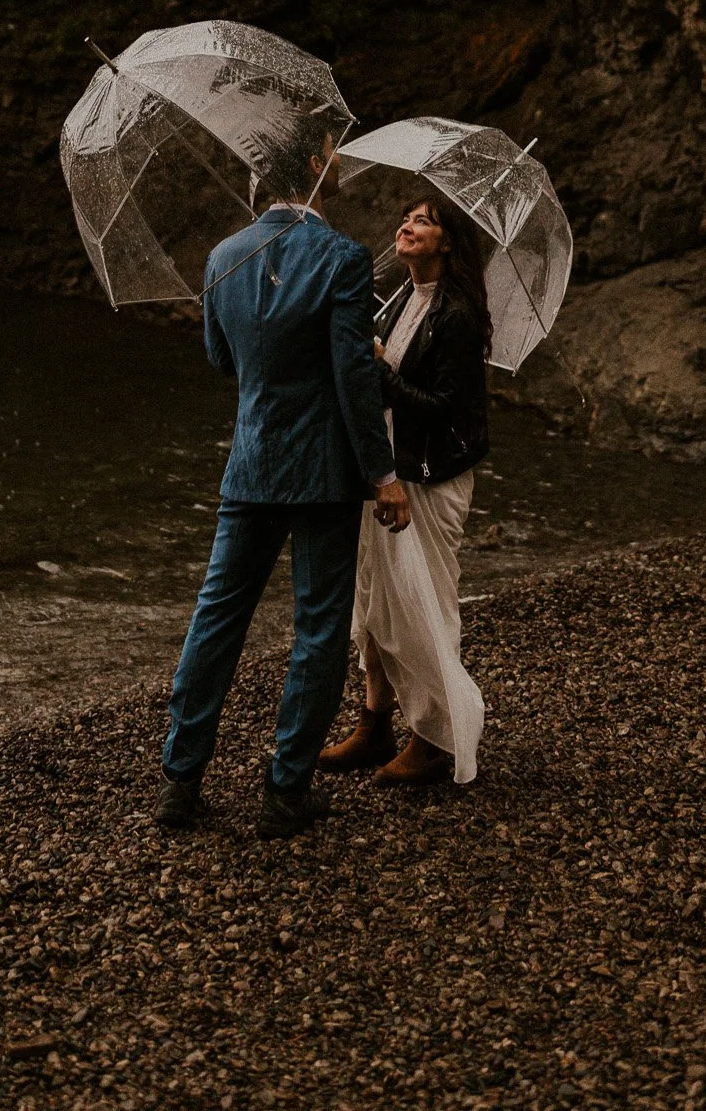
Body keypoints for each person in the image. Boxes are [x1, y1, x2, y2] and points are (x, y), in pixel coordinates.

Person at [155, 120, 411, 840]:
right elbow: (353, 377)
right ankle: (285, 788)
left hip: (250, 462)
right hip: (324, 470)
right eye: (330, 155)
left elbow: (219, 358)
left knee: (217, 617)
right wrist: (382, 472)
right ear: (312, 168)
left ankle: (181, 780)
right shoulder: (341, 258)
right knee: (319, 625)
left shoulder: (223, 258)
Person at [319, 193, 489, 787]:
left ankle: (436, 737)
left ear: (448, 242)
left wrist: (383, 373)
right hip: (391, 472)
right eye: (408, 218)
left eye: (424, 221)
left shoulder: (459, 315)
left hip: (432, 478)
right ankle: (375, 725)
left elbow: (449, 409)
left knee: (423, 605)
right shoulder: (404, 300)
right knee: (373, 604)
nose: (408, 226)